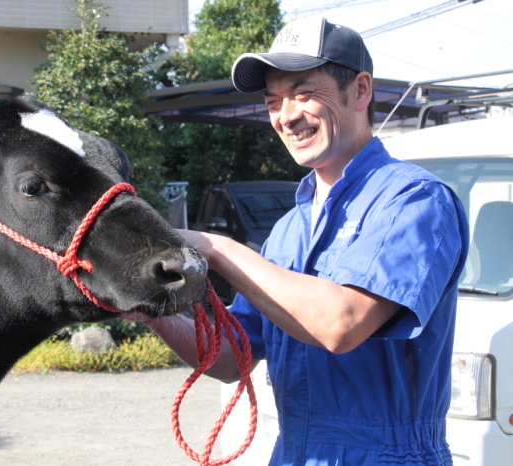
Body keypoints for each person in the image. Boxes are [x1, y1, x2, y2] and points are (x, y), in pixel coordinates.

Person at [125, 16, 469, 465]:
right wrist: (146, 309)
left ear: (361, 90)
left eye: (303, 94)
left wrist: (218, 248)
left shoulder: (414, 200)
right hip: (294, 452)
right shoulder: (289, 228)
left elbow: (341, 323)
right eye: (273, 101)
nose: (286, 116)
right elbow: (232, 359)